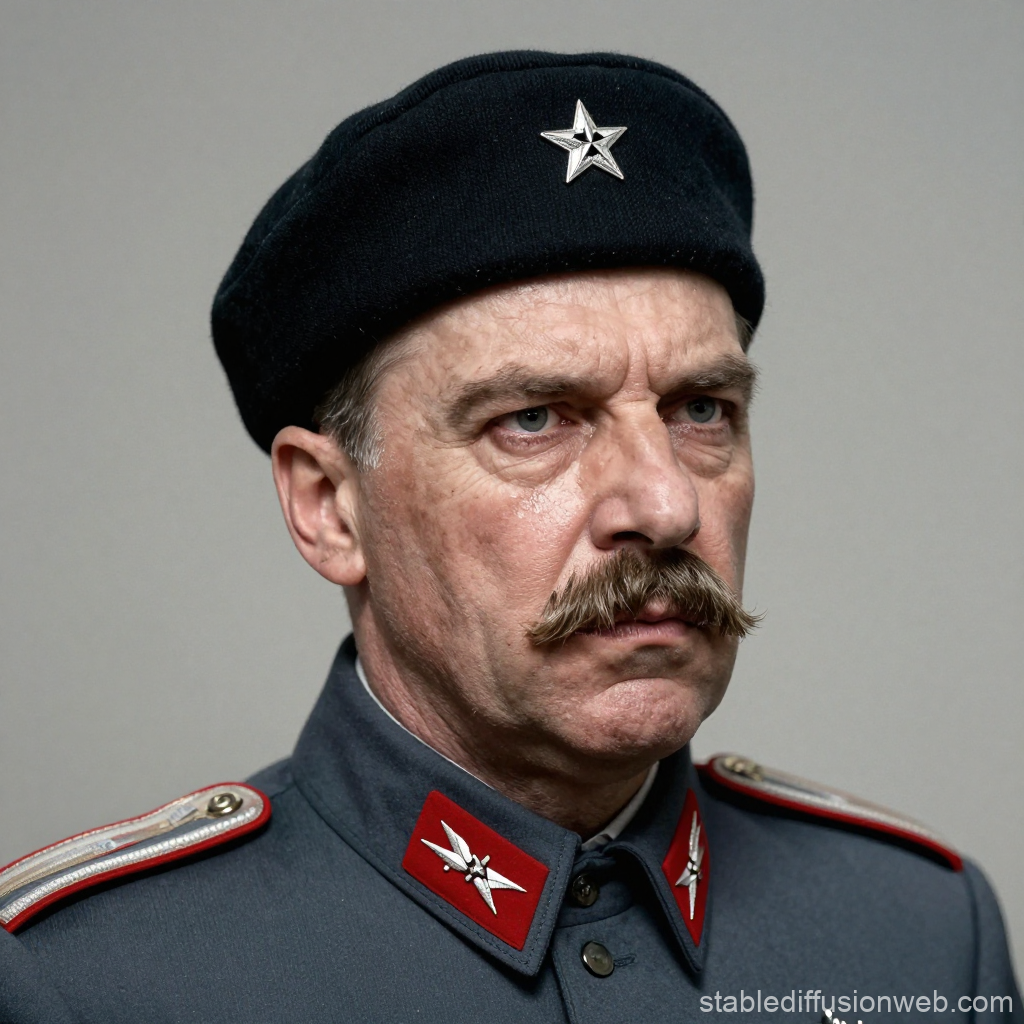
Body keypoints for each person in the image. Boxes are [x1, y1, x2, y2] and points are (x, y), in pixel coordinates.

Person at [0, 50, 1018, 1023]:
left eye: (701, 408)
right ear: (327, 505)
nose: (664, 506)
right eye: (532, 419)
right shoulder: (86, 984)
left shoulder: (919, 935)